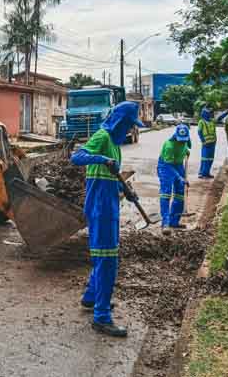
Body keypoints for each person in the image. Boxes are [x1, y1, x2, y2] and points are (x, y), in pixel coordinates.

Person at [70, 101, 145, 337]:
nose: (131, 129)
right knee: (107, 261)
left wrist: (126, 192)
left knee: (106, 257)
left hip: (109, 207)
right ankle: (101, 317)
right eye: (129, 124)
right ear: (119, 121)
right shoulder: (102, 137)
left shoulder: (115, 144)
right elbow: (77, 157)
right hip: (100, 209)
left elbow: (111, 178)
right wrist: (102, 159)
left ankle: (91, 297)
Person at [158, 124, 191, 234]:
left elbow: (187, 146)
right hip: (166, 166)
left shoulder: (186, 140)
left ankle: (174, 221)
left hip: (179, 164)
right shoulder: (169, 146)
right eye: (180, 140)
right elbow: (168, 165)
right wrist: (179, 177)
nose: (182, 142)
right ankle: (165, 223)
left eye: (184, 140)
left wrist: (186, 151)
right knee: (166, 194)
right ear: (175, 136)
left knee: (180, 192)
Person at [197, 106, 216, 179]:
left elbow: (220, 117)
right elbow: (199, 132)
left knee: (210, 159)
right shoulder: (201, 122)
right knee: (205, 159)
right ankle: (203, 173)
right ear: (205, 114)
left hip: (212, 142)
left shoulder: (212, 121)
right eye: (209, 113)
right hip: (206, 143)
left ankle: (207, 173)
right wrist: (203, 141)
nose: (210, 114)